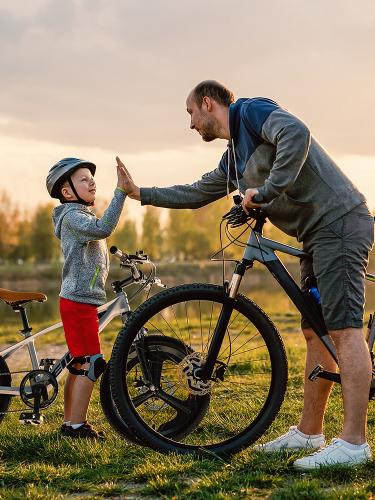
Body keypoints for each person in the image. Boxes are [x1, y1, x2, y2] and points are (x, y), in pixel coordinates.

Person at [117, 79, 374, 468]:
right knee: (315, 330)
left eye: (190, 114)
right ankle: (309, 432)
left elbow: (296, 134)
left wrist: (266, 192)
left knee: (343, 329)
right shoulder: (233, 159)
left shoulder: (251, 112)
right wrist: (141, 193)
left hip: (339, 222)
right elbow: (197, 191)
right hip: (314, 235)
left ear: (207, 104)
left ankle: (354, 443)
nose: (190, 125)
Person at [46, 157, 128, 439]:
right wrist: (121, 193)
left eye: (91, 178)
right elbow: (104, 228)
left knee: (79, 363)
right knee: (92, 363)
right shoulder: (73, 217)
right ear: (66, 191)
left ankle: (70, 423)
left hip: (80, 299)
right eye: (83, 179)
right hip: (78, 301)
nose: (91, 181)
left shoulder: (78, 215)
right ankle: (77, 427)